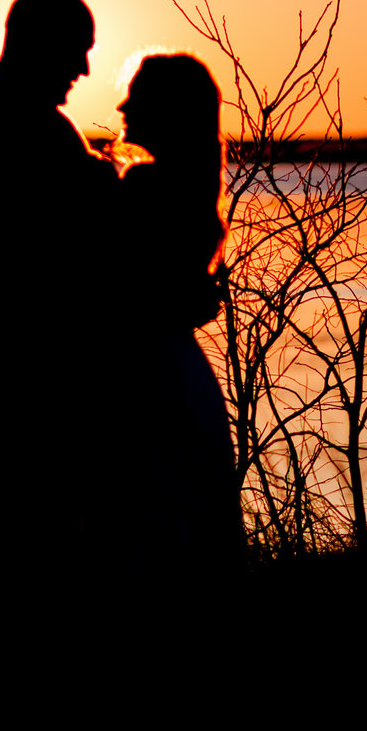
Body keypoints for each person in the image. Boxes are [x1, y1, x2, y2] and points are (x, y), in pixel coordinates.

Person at [0, 0, 116, 573]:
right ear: (37, 42)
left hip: (49, 370)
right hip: (38, 370)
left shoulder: (30, 121)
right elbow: (62, 254)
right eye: (77, 50)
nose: (85, 69)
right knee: (38, 555)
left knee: (55, 549)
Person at [105, 53, 242, 575]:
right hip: (181, 371)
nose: (121, 105)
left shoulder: (146, 190)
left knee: (148, 523)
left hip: (147, 374)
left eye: (135, 95)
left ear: (167, 109)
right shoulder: (193, 189)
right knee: (190, 521)